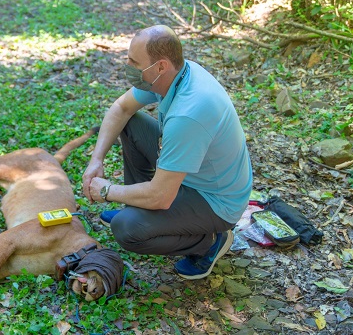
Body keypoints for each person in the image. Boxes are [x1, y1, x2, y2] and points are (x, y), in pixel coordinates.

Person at [82, 25, 253, 279]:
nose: (127, 64)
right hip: (192, 173)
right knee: (132, 123)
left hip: (216, 200)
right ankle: (139, 207)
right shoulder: (173, 74)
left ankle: (209, 242)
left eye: (133, 61)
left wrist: (107, 191)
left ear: (160, 66)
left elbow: (161, 196)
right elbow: (121, 108)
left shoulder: (189, 114)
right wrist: (97, 159)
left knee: (126, 228)